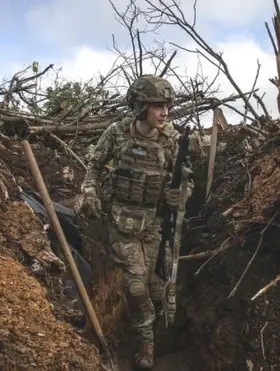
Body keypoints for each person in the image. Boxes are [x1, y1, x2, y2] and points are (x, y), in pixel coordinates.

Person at [79, 74, 193, 369]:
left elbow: (186, 180)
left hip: (154, 224)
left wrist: (178, 195)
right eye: (157, 106)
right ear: (141, 106)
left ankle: (165, 334)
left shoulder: (171, 140)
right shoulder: (118, 133)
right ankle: (146, 344)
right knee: (136, 286)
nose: (164, 112)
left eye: (167, 105)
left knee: (157, 287)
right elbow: (94, 165)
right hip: (121, 220)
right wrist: (90, 191)